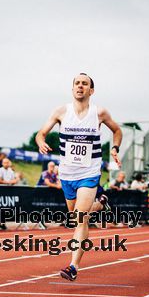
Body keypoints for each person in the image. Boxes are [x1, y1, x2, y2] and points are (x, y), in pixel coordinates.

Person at [35, 73, 122, 281]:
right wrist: (40, 141)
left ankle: (73, 266)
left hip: (89, 173)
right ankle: (100, 203)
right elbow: (41, 133)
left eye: (85, 83)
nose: (80, 86)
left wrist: (115, 148)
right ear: (72, 88)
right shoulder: (61, 111)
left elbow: (117, 131)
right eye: (77, 83)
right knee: (75, 218)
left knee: (80, 219)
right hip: (66, 174)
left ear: (91, 90)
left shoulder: (98, 112)